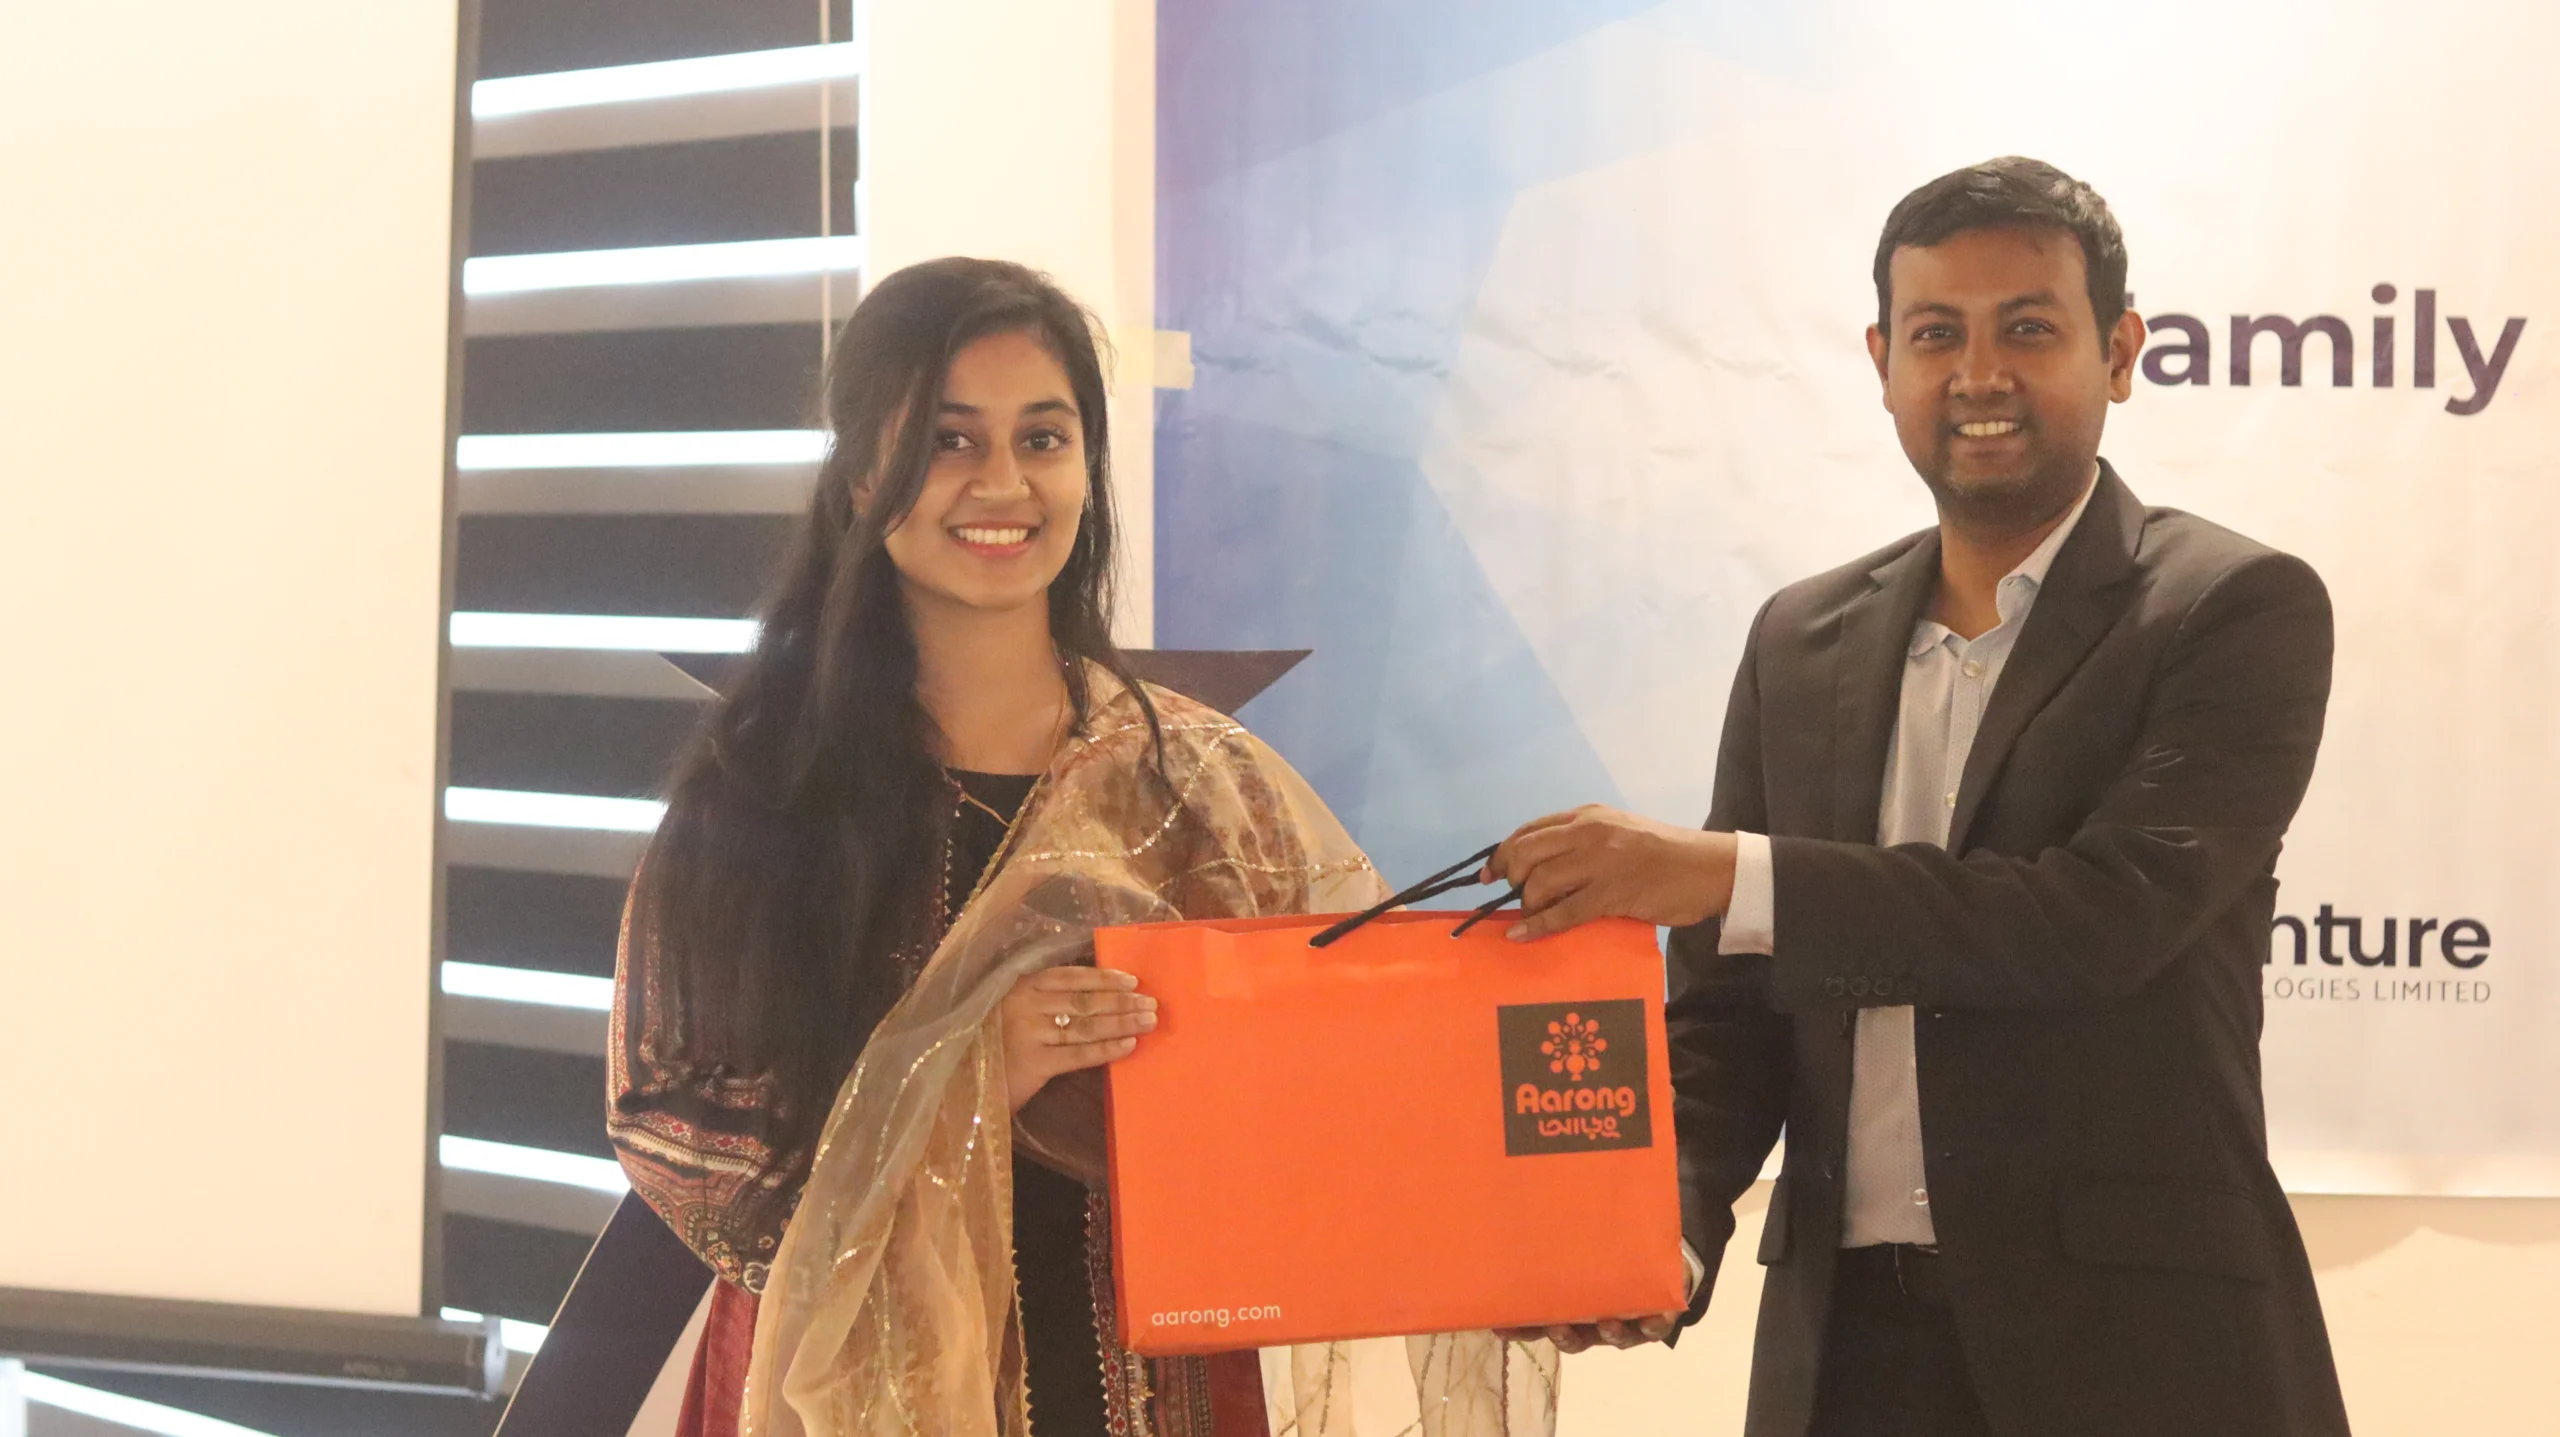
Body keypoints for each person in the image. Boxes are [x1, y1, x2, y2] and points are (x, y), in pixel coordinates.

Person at [609, 258, 1555, 1437]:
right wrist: (967, 1074)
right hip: (848, 1387)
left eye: (1043, 440)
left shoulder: (1201, 783)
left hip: (1152, 1382)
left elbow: (1369, 1059)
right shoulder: (765, 793)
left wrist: (1563, 1221)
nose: (1003, 483)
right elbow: (670, 1126)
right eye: (949, 441)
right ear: (860, 477)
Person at [1486, 159, 2352, 1436]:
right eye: (1938, 335)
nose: (1978, 375)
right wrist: (1655, 1230)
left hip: (2141, 1351)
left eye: (2028, 330)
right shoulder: (1799, 641)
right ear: (1883, 361)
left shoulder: (2230, 609)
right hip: (1846, 1356)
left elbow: (2097, 920)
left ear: (2119, 354)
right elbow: (1729, 1011)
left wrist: (1733, 875)